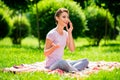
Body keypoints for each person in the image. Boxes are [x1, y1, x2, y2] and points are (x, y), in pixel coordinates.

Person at [44, 8, 89, 72]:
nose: (66, 19)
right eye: (64, 17)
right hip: (51, 65)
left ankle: (72, 69)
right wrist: (54, 48)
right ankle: (74, 70)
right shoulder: (51, 34)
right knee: (63, 62)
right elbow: (45, 53)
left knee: (85, 61)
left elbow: (72, 49)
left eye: (67, 17)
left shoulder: (66, 34)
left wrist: (70, 32)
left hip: (62, 63)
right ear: (57, 18)